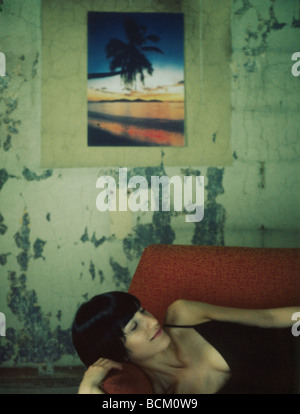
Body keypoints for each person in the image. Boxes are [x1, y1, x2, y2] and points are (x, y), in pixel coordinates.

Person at [72, 291, 299, 394]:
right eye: (134, 326)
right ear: (118, 353)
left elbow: (266, 317)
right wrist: (88, 388)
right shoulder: (164, 393)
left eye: (143, 311)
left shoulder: (183, 314)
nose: (151, 321)